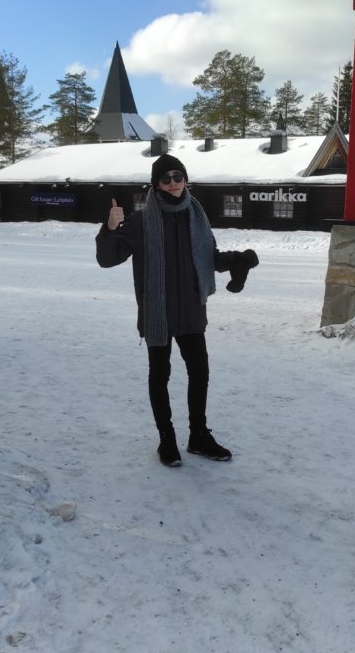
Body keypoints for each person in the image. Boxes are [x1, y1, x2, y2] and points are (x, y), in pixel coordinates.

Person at [96, 153, 259, 467]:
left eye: (177, 176)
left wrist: (238, 259)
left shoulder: (196, 217)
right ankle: (166, 438)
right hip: (157, 314)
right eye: (165, 178)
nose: (172, 183)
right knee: (160, 375)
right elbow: (107, 259)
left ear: (185, 180)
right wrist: (110, 228)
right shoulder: (140, 222)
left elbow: (210, 259)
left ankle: (198, 435)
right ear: (156, 184)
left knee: (200, 373)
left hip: (191, 312)